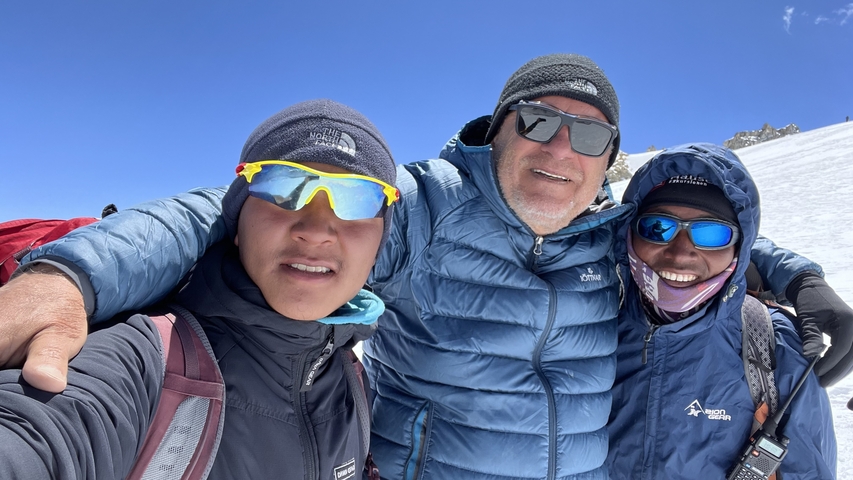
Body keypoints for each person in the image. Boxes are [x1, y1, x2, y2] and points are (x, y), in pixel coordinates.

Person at [1, 54, 851, 479]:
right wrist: (68, 276)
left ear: (609, 164)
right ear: (498, 129)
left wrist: (795, 278)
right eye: (537, 122)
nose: (560, 148)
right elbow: (217, 213)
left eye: (588, 135)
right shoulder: (423, 206)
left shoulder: (610, 232)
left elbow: (704, 231)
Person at [0, 99, 398, 479]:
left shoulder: (349, 376)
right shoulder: (147, 361)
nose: (315, 231)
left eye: (358, 200)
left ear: (380, 240)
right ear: (237, 225)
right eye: (283, 188)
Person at [607, 143, 836, 479]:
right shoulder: (589, 323)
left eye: (711, 233)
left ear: (739, 248)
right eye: (658, 227)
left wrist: (802, 279)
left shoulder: (774, 345)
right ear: (630, 233)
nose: (681, 252)